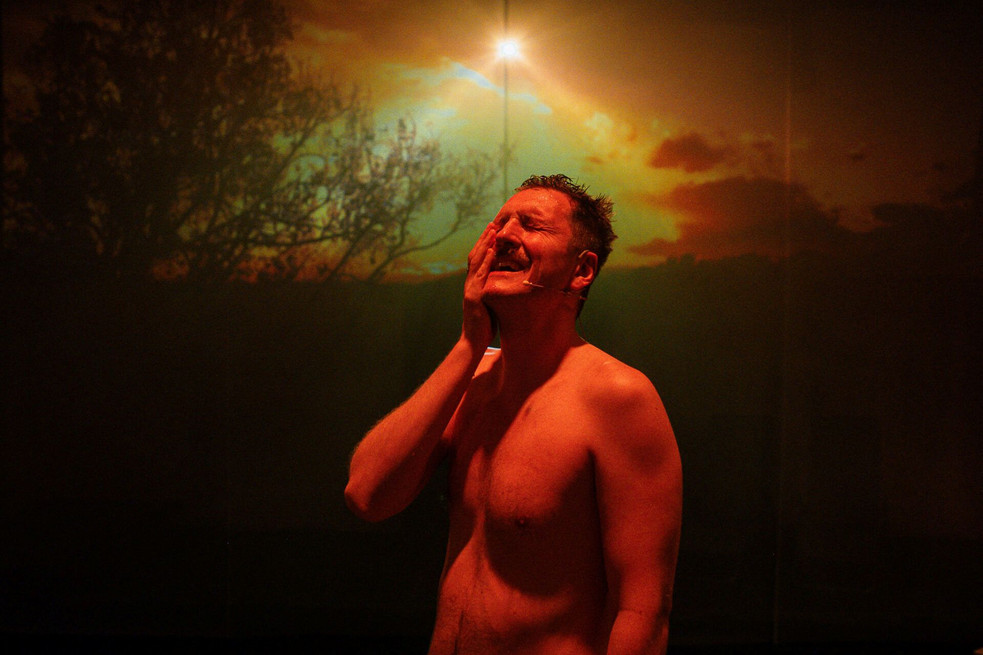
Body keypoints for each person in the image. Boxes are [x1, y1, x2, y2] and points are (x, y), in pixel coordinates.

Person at [345, 174, 682, 655]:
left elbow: (641, 612)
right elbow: (367, 496)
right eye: (499, 224)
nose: (503, 236)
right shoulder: (473, 379)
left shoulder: (617, 396)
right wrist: (469, 345)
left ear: (582, 270)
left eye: (531, 225)